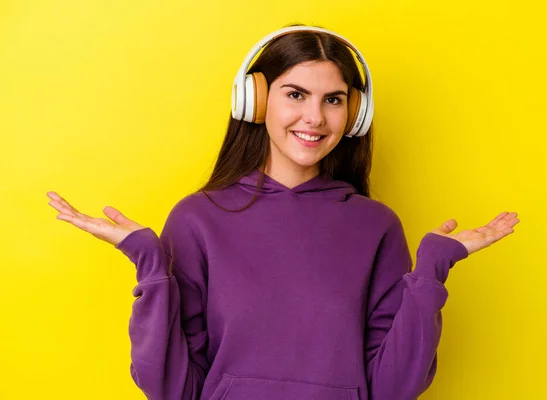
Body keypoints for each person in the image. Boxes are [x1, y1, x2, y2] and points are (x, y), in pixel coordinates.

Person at [47, 24, 519, 400]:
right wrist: (152, 268)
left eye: (332, 100)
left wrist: (431, 270)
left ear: (353, 115)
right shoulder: (198, 219)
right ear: (254, 101)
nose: (314, 118)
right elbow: (170, 388)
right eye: (295, 94)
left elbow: (395, 389)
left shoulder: (376, 226)